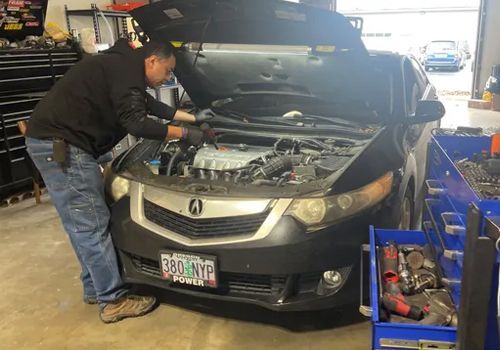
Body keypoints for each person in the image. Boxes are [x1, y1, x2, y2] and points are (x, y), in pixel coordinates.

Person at [25, 39, 215, 323]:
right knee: (91, 224)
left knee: (82, 224)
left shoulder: (122, 66)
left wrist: (193, 117)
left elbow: (148, 105)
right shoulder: (125, 70)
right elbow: (137, 123)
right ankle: (112, 300)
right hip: (64, 147)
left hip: (56, 143)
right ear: (152, 60)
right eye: (167, 71)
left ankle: (95, 288)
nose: (167, 78)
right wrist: (185, 135)